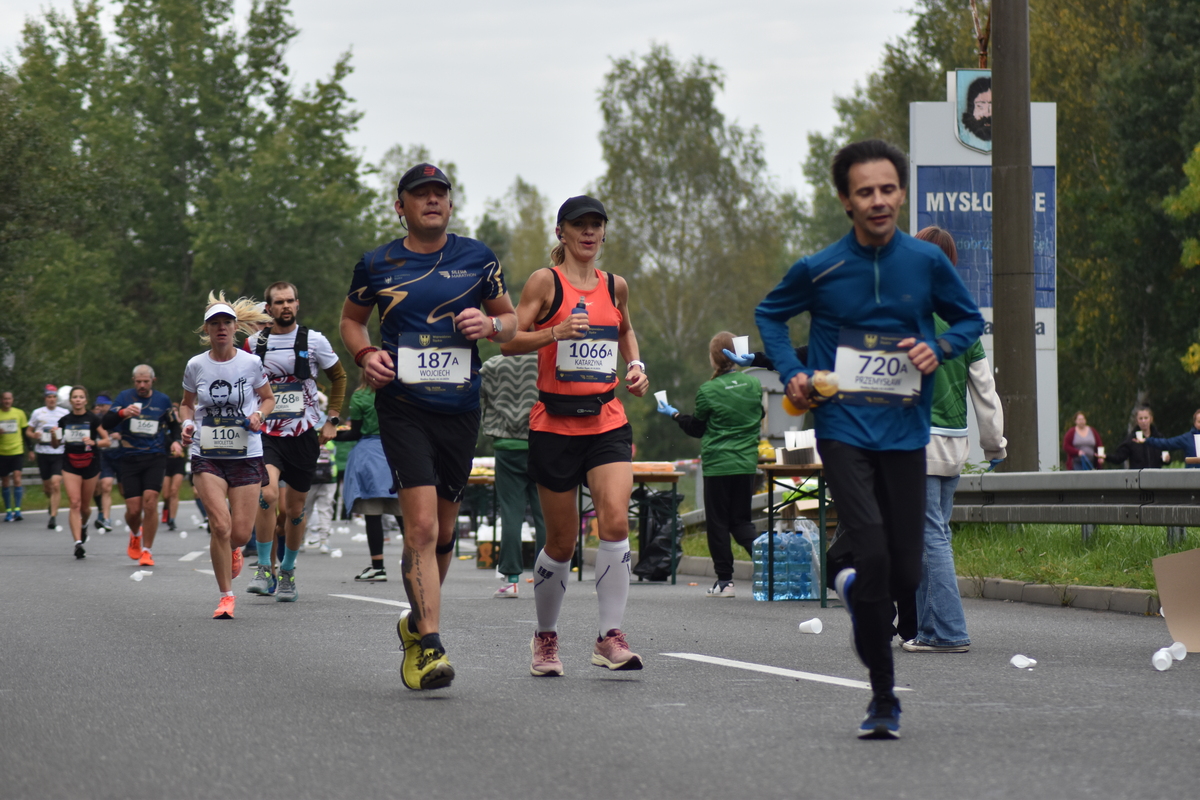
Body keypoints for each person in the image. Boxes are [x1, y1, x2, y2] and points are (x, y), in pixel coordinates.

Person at [755, 139, 984, 739]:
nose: (878, 200)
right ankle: (883, 698)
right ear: (845, 200)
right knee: (876, 556)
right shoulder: (821, 268)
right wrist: (793, 371)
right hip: (843, 429)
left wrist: (939, 346)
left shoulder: (925, 263)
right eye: (865, 192)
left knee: (905, 574)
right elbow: (770, 314)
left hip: (906, 433)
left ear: (901, 193)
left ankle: (850, 579)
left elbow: (968, 319)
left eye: (887, 189)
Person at [340, 162, 516, 690]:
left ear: (450, 204)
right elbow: (352, 321)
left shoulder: (478, 258)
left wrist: (490, 324)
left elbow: (511, 323)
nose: (432, 200)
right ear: (401, 207)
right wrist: (366, 354)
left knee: (442, 534)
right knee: (420, 528)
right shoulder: (377, 263)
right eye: (421, 194)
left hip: (460, 409)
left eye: (440, 192)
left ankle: (416, 625)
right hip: (403, 407)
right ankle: (431, 645)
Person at [501, 194, 650, 678]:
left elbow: (625, 331)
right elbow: (508, 340)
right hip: (554, 425)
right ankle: (545, 637)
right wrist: (556, 332)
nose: (588, 232)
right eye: (579, 224)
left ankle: (609, 636)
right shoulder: (545, 282)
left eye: (596, 225)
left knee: (615, 522)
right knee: (562, 542)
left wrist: (636, 366)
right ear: (561, 232)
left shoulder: (615, 285)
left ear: (603, 232)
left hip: (606, 420)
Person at [898, 226, 1006, 655]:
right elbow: (985, 391)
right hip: (954, 445)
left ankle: (949, 632)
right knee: (934, 534)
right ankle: (928, 630)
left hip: (917, 444)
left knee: (929, 537)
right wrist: (994, 445)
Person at [244, 281, 346, 602]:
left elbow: (339, 377)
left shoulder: (314, 341)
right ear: (269, 308)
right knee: (267, 495)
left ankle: (287, 571)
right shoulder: (253, 344)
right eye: (279, 302)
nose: (285, 306)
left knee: (295, 510)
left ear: (297, 304)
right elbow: (240, 381)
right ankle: (264, 568)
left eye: (290, 301)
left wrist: (331, 420)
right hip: (266, 433)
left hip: (303, 434)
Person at [179, 292, 275, 619]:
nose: (221, 328)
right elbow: (186, 404)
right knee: (220, 525)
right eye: (215, 323)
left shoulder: (250, 363)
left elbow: (268, 398)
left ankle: (234, 549)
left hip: (246, 452)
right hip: (207, 452)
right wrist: (187, 424)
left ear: (235, 328)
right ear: (206, 329)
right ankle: (226, 596)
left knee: (240, 533)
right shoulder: (196, 365)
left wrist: (259, 415)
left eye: (226, 323)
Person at [658, 332, 763, 598]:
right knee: (741, 522)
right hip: (746, 464)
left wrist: (674, 414)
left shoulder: (708, 390)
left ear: (714, 358)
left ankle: (725, 582)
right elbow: (759, 414)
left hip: (718, 465)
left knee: (718, 523)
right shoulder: (753, 384)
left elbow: (697, 428)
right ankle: (771, 562)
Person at [478, 352, 546, 599]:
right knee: (545, 514)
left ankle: (511, 579)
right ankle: (547, 576)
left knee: (511, 513)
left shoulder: (492, 365)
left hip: (506, 446)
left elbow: (477, 397)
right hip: (543, 442)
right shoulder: (546, 361)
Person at [102, 366, 181, 566]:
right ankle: (136, 534)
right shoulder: (124, 397)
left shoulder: (163, 400)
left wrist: (176, 441)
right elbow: (106, 423)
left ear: (153, 380)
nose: (142, 385)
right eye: (138, 382)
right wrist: (122, 413)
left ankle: (147, 551)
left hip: (155, 457)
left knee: (150, 502)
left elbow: (174, 425)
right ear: (133, 381)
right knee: (134, 510)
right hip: (129, 458)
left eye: (146, 381)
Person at [337, 376, 400, 581]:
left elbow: (355, 433)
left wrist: (331, 435)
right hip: (397, 455)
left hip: (369, 458)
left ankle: (378, 567)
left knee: (372, 514)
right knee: (404, 515)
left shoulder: (361, 396)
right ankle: (418, 563)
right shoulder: (400, 392)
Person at [59, 386, 110, 558]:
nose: (78, 400)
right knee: (74, 503)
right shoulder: (64, 420)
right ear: (71, 400)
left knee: (85, 508)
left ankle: (84, 524)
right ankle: (78, 543)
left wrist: (94, 442)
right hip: (70, 463)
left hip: (90, 463)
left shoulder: (93, 419)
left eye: (81, 397)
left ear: (86, 400)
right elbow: (55, 443)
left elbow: (107, 441)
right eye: (75, 397)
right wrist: (53, 436)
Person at [26, 384, 69, 530]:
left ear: (57, 398)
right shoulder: (37, 413)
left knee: (55, 483)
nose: (52, 399)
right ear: (45, 398)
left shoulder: (64, 412)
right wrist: (34, 435)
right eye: (49, 397)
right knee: (47, 487)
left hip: (59, 453)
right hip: (43, 453)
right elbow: (28, 431)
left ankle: (53, 517)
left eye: (54, 397)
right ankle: (52, 502)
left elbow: (68, 430)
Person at [302, 393, 338, 554]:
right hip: (329, 473)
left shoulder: (303, 419)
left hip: (308, 472)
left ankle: (300, 540)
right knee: (325, 508)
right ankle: (324, 541)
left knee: (303, 508)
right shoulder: (330, 422)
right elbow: (334, 447)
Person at [91, 394, 119, 532]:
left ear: (110, 405)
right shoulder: (96, 420)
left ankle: (135, 514)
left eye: (103, 405)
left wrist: (120, 435)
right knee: (105, 486)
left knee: (124, 490)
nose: (100, 408)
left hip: (120, 455)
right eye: (99, 406)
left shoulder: (118, 417)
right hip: (104, 456)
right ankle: (106, 518)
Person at [1, 390, 29, 522]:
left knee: (17, 478)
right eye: (5, 399)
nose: (7, 401)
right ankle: (8, 510)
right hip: (2, 452)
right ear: (1, 400)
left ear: (12, 400)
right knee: (5, 481)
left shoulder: (19, 413)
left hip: (17, 451)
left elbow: (25, 432)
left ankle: (17, 509)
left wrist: (30, 450)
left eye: (9, 399)